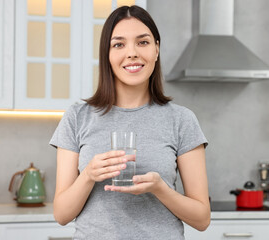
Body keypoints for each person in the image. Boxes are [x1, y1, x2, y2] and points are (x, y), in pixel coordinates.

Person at [49, 5, 210, 239]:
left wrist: (160, 189)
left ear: (157, 49)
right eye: (119, 44)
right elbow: (61, 215)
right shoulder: (77, 117)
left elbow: (202, 219)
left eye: (142, 42)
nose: (132, 53)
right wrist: (88, 175)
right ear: (107, 54)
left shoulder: (182, 120)